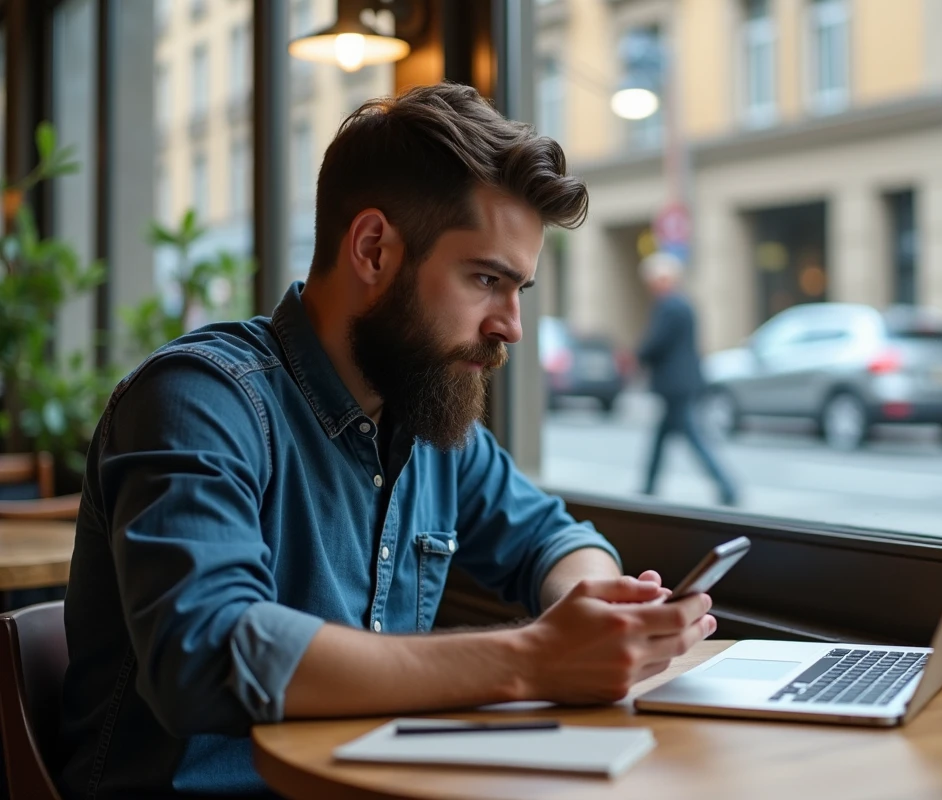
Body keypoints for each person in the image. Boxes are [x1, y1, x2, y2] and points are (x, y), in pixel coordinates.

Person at [57, 84, 716, 799]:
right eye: (486, 279)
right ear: (374, 249)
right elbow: (209, 652)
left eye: (519, 289)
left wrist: (602, 608)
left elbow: (550, 538)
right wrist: (533, 658)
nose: (511, 325)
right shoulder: (199, 400)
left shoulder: (424, 416)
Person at [637, 252, 739, 507]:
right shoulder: (684, 303)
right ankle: (648, 486)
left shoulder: (669, 306)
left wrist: (637, 354)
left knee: (693, 437)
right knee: (663, 436)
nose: (649, 287)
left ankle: (727, 486)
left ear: (663, 280)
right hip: (684, 382)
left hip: (675, 385)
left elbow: (657, 343)